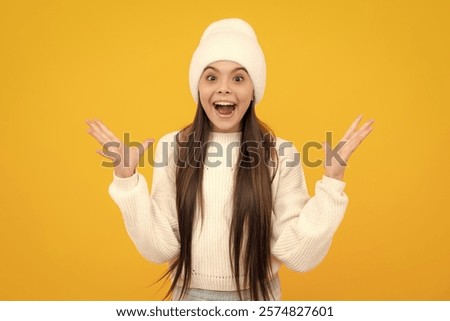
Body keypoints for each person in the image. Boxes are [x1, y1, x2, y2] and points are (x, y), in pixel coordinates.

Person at [86, 18, 374, 301]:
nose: (224, 88)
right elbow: (159, 249)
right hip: (189, 300)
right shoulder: (174, 148)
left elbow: (299, 255)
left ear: (253, 91)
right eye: (211, 77)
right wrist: (127, 182)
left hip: (259, 298)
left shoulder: (279, 153)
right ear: (198, 89)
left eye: (238, 78)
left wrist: (332, 184)